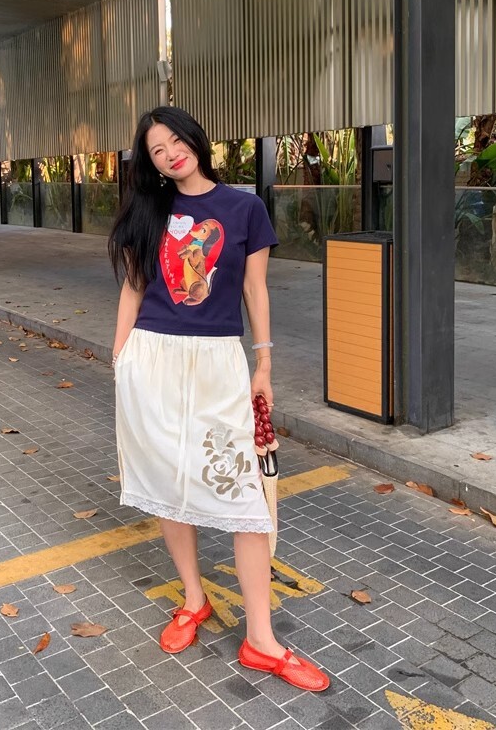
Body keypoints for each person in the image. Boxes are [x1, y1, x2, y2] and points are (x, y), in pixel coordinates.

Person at [108, 106, 329, 692]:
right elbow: (134, 287)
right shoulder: (149, 210)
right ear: (151, 163)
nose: (170, 153)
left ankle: (261, 640)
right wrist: (121, 358)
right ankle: (194, 599)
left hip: (218, 362)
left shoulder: (244, 208)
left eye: (175, 140)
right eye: (157, 150)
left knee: (246, 498)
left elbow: (255, 289)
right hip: (151, 358)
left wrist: (265, 364)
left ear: (195, 139)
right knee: (168, 484)